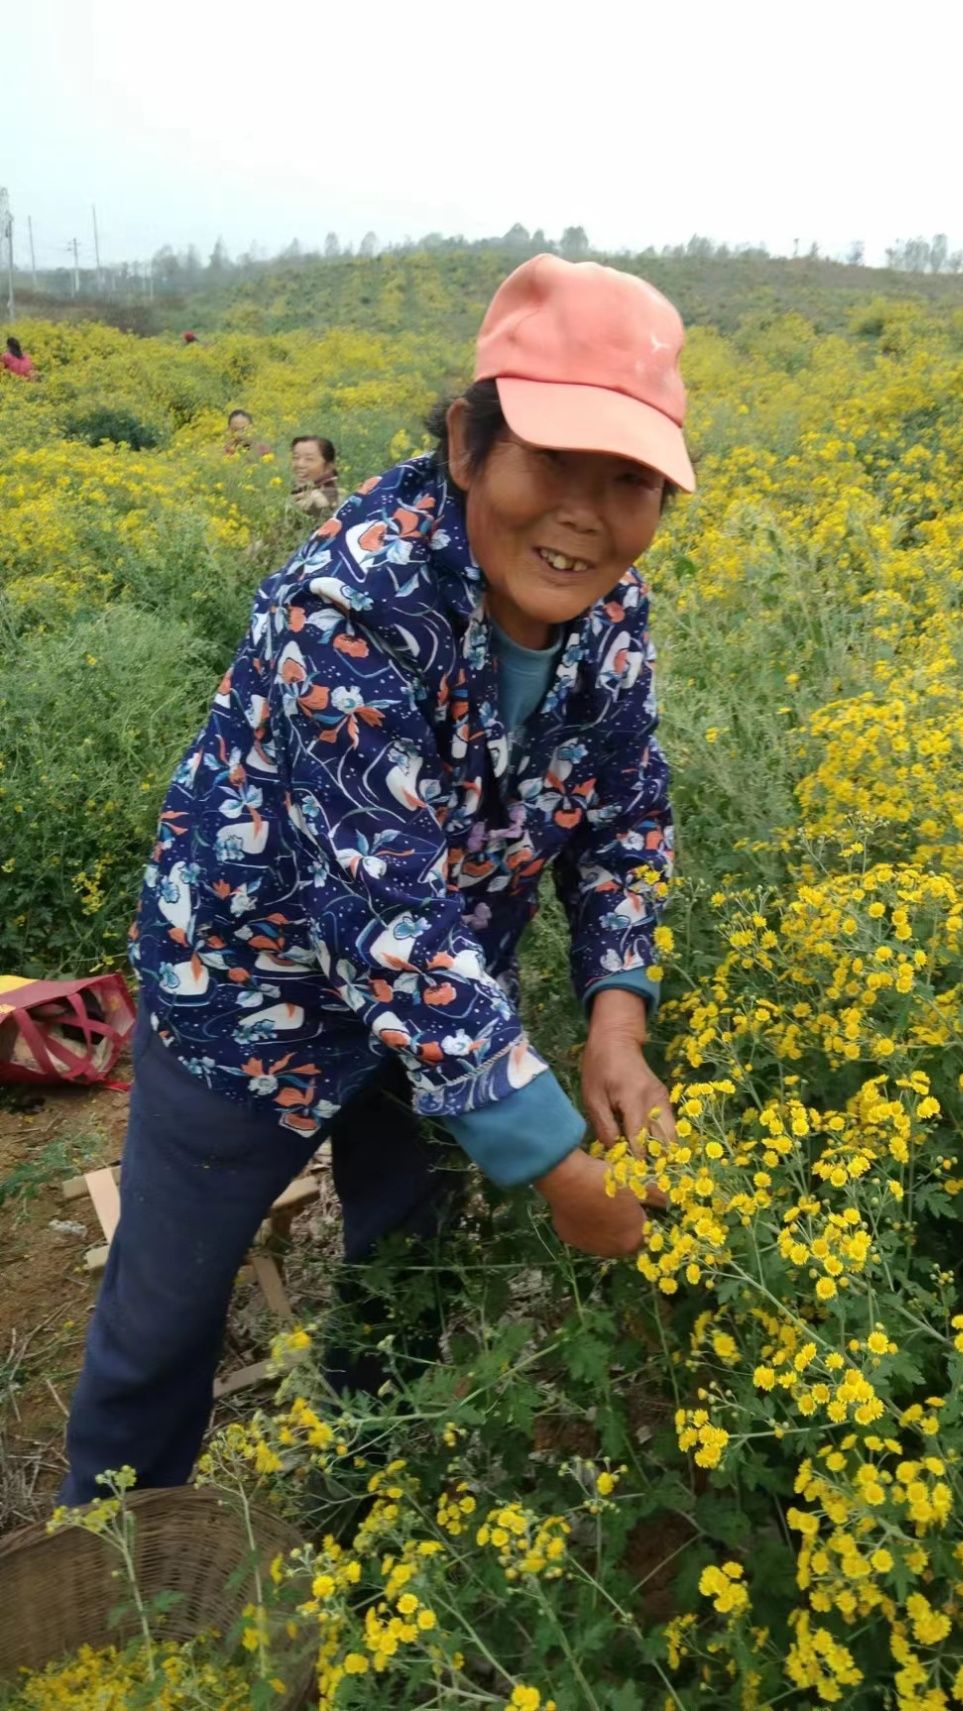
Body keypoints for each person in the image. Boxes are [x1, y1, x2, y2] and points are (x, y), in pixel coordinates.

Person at [58, 253, 695, 1505]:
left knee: (405, 1277)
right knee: (166, 1311)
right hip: (246, 996)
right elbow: (386, 911)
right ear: (467, 443)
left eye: (626, 483)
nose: (583, 513)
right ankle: (117, 1578)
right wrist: (557, 1163)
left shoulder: (610, 623)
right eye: (551, 463)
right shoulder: (347, 598)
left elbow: (628, 812)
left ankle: (367, 1518)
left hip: (438, 1024)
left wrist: (618, 1013)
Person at [290, 434, 342, 516]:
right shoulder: (301, 491)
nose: (299, 464)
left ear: (329, 466)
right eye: (295, 457)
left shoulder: (329, 498)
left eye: (309, 459)